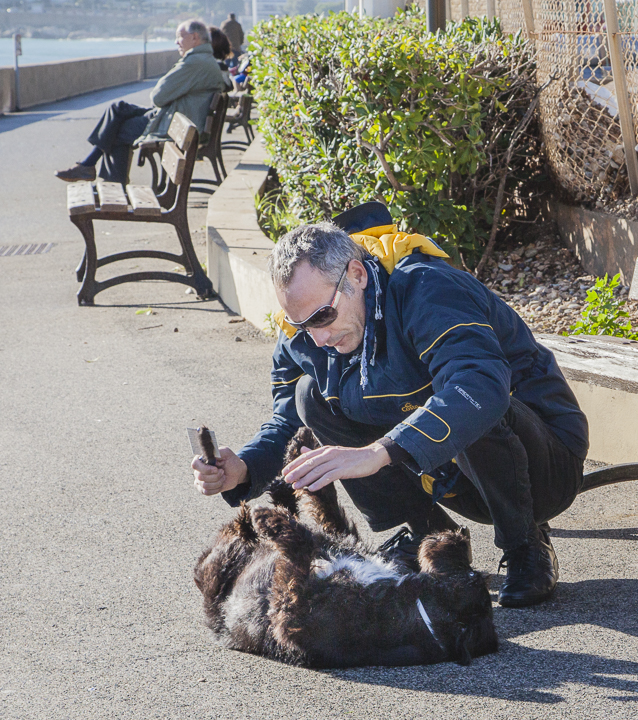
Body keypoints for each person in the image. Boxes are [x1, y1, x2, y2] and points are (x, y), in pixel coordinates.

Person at [191, 203, 590, 608]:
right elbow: (288, 422)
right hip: (452, 477)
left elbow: (479, 386)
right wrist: (242, 469)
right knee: (310, 396)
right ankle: (428, 536)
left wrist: (379, 453)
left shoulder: (429, 289)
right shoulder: (308, 330)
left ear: (358, 275)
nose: (317, 338)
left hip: (543, 467)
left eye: (324, 316)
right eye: (301, 324)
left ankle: (526, 544)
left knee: (469, 396)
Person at [54, 20, 228, 184]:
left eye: (179, 36)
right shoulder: (203, 60)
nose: (176, 42)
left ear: (195, 37)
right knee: (118, 109)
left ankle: (110, 183)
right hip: (174, 116)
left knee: (118, 130)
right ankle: (89, 167)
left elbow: (158, 97)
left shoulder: (194, 62)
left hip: (173, 123)